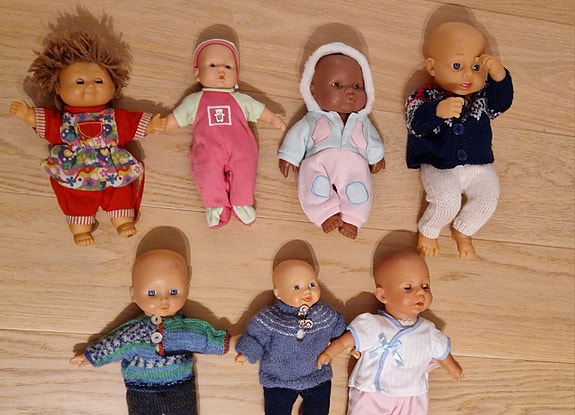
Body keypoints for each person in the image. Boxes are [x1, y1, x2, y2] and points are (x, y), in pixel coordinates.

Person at [70, 249, 230, 415]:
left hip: (180, 387)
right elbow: (114, 344)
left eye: (173, 291)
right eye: (152, 293)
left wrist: (228, 343)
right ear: (134, 294)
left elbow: (204, 340)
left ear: (187, 289)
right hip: (141, 390)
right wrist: (92, 356)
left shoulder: (185, 329)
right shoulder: (134, 332)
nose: (164, 299)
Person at [10, 30, 164, 245]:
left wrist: (150, 125)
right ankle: (80, 228)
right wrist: (29, 116)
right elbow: (50, 124)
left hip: (112, 167)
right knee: (75, 196)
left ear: (114, 85)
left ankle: (122, 219)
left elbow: (131, 123)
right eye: (80, 82)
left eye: (99, 80)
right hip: (76, 170)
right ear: (58, 88)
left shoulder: (115, 117)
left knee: (120, 191)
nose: (90, 86)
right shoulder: (64, 120)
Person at [317, 251, 464, 415]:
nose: (420, 293)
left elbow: (442, 351)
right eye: (408, 287)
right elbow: (348, 340)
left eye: (425, 286)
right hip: (371, 389)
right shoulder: (373, 324)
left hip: (411, 393)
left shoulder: (427, 330)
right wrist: (330, 353)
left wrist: (451, 366)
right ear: (383, 295)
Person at [405, 22, 513, 259]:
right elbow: (415, 123)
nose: (468, 75)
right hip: (439, 162)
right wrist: (436, 111)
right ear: (432, 67)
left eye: (476, 67)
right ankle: (429, 230)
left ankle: (464, 230)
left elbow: (501, 103)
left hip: (478, 166)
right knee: (447, 202)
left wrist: (500, 76)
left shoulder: (482, 97)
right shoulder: (427, 95)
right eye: (457, 66)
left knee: (488, 197)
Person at [161, 39, 286, 228]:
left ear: (237, 74)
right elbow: (178, 117)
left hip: (241, 149)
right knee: (207, 173)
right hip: (209, 151)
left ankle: (242, 202)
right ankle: (216, 205)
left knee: (245, 171)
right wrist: (163, 124)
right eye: (212, 65)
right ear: (197, 73)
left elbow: (257, 109)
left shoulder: (240, 99)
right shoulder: (195, 100)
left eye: (228, 66)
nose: (221, 70)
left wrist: (271, 118)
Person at [235, 259, 347, 415]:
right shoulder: (270, 318)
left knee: (319, 411)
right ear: (278, 294)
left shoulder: (324, 314)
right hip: (279, 377)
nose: (307, 291)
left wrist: (348, 344)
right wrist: (246, 353)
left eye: (312, 284)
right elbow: (256, 336)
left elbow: (339, 329)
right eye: (296, 287)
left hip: (315, 375)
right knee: (275, 413)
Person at [279, 42, 385, 240]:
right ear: (313, 91)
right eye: (337, 85)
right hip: (319, 160)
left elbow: (372, 139)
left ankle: (353, 219)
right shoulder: (313, 119)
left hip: (355, 164)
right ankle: (324, 213)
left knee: (359, 187)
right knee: (314, 182)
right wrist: (289, 155)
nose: (350, 92)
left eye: (357, 86)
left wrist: (376, 156)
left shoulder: (362, 122)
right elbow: (298, 136)